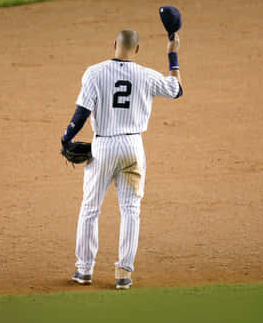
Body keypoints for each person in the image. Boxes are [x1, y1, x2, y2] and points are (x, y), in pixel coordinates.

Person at [62, 29, 183, 289]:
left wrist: (67, 137)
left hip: (103, 145)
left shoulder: (94, 72)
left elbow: (82, 112)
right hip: (133, 147)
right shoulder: (146, 75)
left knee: (90, 208)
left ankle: (84, 271)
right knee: (131, 211)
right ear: (136, 49)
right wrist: (172, 54)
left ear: (114, 44)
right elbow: (176, 90)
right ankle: (124, 274)